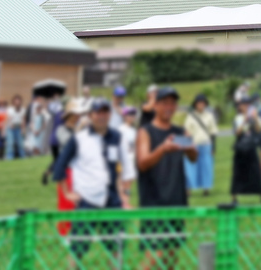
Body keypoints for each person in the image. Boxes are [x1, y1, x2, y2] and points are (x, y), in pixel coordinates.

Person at [51, 99, 127, 264]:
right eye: (98, 112)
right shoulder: (79, 138)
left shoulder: (117, 137)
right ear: (91, 115)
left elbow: (122, 167)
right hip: (86, 200)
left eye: (105, 112)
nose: (102, 116)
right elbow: (59, 166)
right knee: (78, 248)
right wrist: (67, 193)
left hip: (112, 200)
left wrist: (123, 194)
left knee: (117, 249)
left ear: (110, 114)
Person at [136, 86, 197, 269]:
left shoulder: (180, 132)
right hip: (154, 201)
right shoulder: (145, 131)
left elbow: (194, 159)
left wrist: (190, 148)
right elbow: (143, 163)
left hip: (176, 199)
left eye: (172, 103)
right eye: (164, 103)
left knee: (171, 256)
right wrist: (162, 149)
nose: (169, 107)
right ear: (155, 105)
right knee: (154, 256)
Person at [230, 97, 261, 204]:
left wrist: (254, 119)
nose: (245, 106)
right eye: (243, 104)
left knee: (256, 172)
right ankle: (234, 198)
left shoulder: (255, 116)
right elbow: (237, 133)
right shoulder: (237, 118)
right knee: (237, 174)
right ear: (239, 106)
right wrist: (244, 121)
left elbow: (259, 130)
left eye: (247, 104)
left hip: (251, 148)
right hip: (240, 150)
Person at [183, 94, 217, 196]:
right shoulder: (190, 116)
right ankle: (188, 189)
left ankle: (206, 189)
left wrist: (214, 147)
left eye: (203, 103)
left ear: (205, 104)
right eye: (199, 103)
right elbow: (186, 131)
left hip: (206, 145)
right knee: (190, 167)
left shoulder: (209, 116)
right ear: (195, 104)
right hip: (193, 145)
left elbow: (213, 132)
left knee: (206, 167)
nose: (201, 105)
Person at [119, 106, 138, 198]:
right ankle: (123, 203)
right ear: (125, 116)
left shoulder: (134, 130)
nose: (132, 116)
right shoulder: (121, 129)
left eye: (133, 114)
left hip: (131, 159)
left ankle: (126, 202)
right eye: (130, 114)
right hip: (122, 160)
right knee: (122, 183)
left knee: (129, 183)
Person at [2, 95, 25, 161]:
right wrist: (3, 130)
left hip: (18, 128)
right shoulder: (10, 109)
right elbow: (6, 119)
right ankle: (9, 158)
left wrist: (23, 129)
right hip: (11, 128)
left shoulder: (23, 109)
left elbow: (23, 120)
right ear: (13, 102)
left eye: (18, 101)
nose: (17, 102)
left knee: (20, 144)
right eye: (16, 101)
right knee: (10, 143)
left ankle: (22, 157)